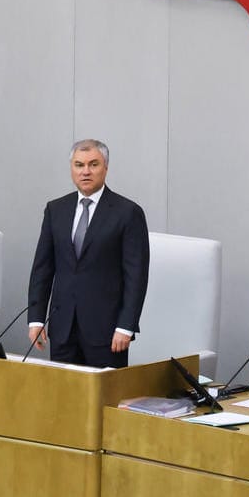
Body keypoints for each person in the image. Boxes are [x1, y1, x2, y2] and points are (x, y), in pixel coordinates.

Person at [28, 139, 150, 368]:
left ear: (106, 168)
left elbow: (136, 276)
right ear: (71, 168)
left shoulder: (127, 212)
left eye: (93, 164)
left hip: (107, 332)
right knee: (65, 398)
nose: (85, 171)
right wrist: (36, 318)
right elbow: (42, 269)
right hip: (63, 327)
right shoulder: (56, 210)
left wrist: (126, 326)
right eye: (79, 165)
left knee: (103, 399)